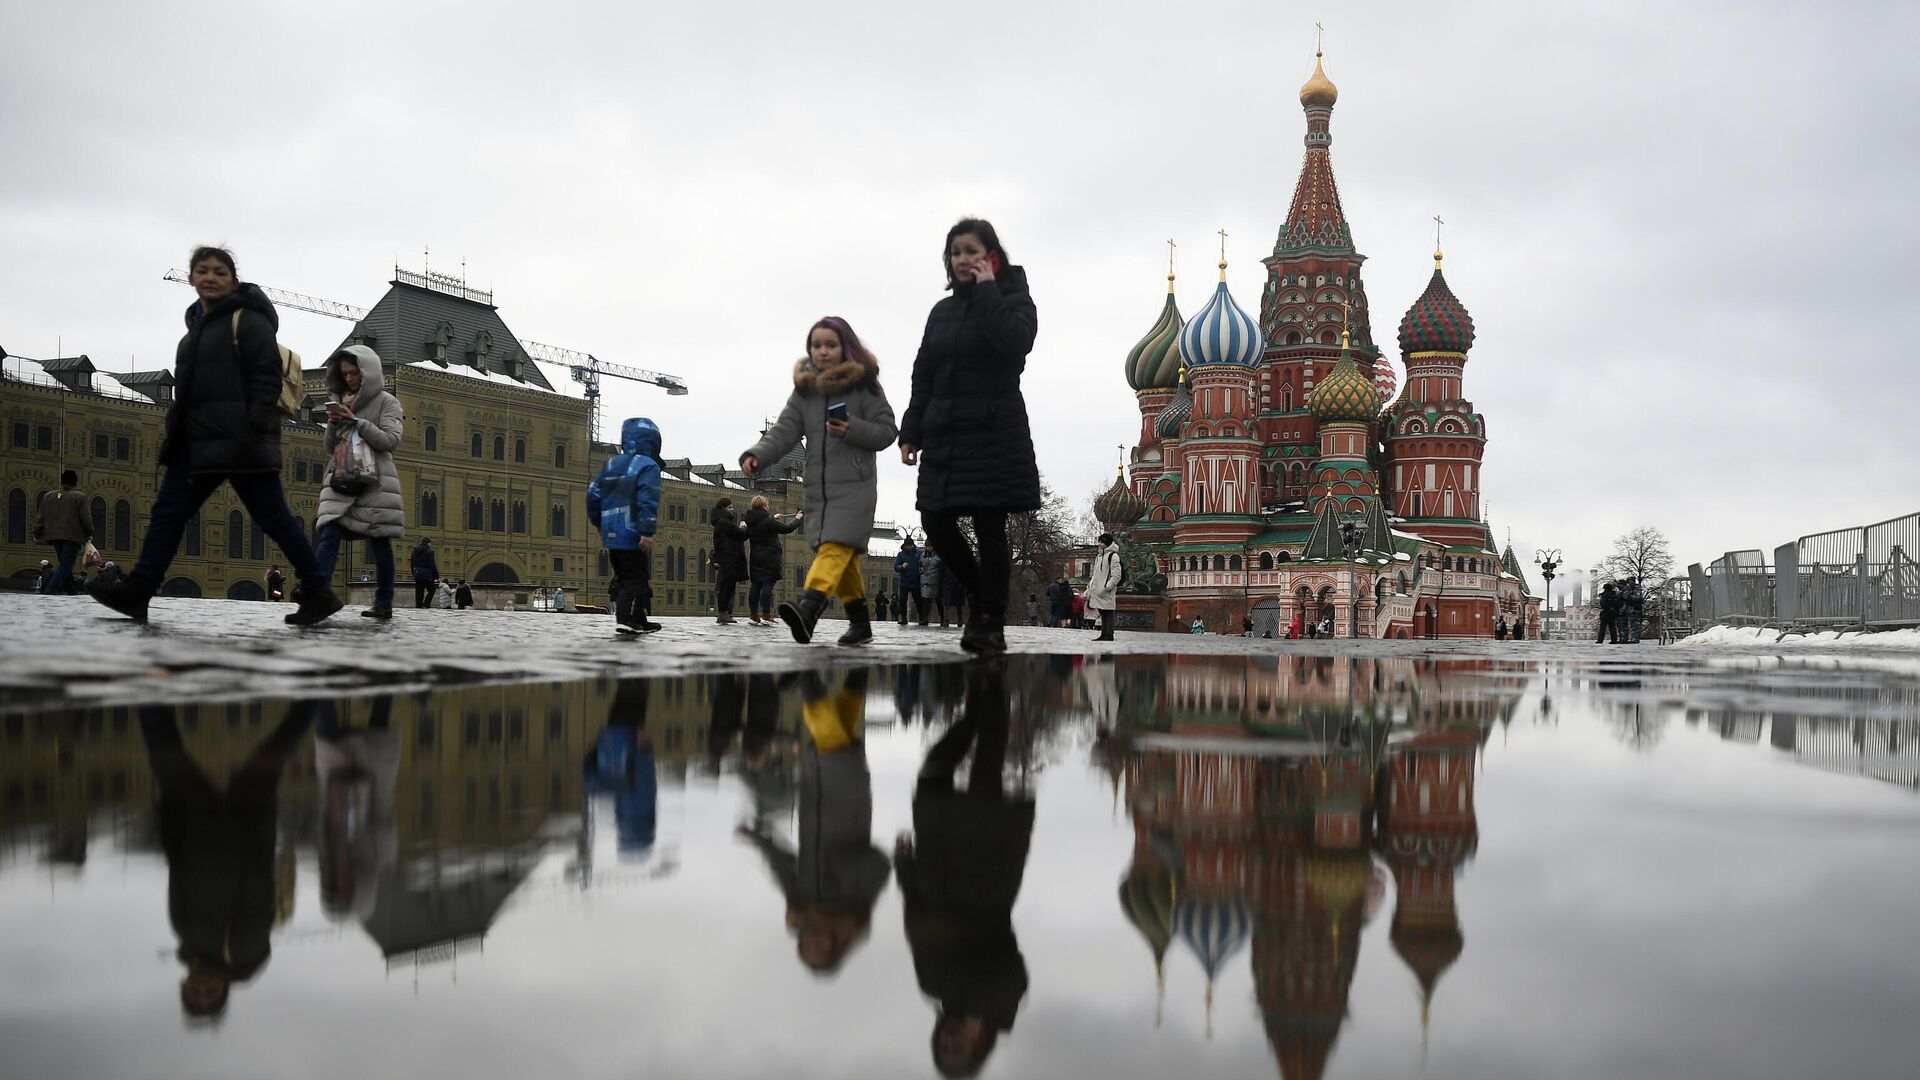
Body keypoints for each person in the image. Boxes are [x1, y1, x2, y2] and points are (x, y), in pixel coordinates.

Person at [89, 246, 339, 625]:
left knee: (276, 520)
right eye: (202, 270)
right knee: (168, 514)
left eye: (219, 272)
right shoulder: (193, 333)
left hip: (242, 443)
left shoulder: (248, 322)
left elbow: (267, 379)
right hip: (199, 443)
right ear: (191, 279)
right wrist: (176, 434)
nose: (210, 277)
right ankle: (139, 590)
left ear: (233, 281)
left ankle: (319, 591)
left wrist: (251, 428)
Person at [898, 218, 1041, 656]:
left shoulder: (1013, 296)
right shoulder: (941, 312)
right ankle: (983, 598)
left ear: (991, 256)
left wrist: (986, 291)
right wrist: (911, 430)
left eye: (971, 251)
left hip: (994, 430)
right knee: (934, 520)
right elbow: (924, 373)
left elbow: (1016, 343)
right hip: (945, 432)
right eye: (955, 252)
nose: (962, 259)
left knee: (989, 525)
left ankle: (990, 622)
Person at [895, 663, 1033, 1078]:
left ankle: (976, 709)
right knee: (986, 770)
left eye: (943, 1046)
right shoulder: (1004, 1003)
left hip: (937, 863)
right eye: (959, 1050)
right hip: (984, 871)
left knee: (932, 773)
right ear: (979, 1046)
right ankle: (993, 693)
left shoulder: (931, 986)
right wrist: (976, 1007)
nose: (950, 1040)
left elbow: (914, 922)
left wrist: (905, 868)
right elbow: (1007, 963)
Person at [139, 700, 314, 1024]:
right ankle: (318, 694)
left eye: (194, 994)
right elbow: (258, 883)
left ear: (185, 985)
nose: (201, 988)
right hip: (242, 825)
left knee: (164, 750)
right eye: (209, 995)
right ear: (224, 989)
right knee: (272, 754)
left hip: (195, 825)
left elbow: (177, 871)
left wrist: (169, 823)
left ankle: (147, 681)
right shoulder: (243, 951)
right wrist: (238, 829)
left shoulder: (183, 935)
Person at [741, 316, 899, 645]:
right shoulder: (805, 392)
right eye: (816, 345)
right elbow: (784, 432)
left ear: (845, 347)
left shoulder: (864, 386)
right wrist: (758, 455)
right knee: (842, 557)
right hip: (817, 490)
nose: (822, 351)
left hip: (855, 488)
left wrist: (852, 428)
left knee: (834, 549)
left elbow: (887, 431)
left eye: (830, 345)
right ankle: (861, 624)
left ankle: (808, 609)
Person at [740, 670, 890, 976]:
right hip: (849, 802)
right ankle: (809, 684)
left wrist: (757, 838)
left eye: (806, 949)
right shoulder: (856, 907)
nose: (813, 943)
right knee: (832, 741)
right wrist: (844, 868)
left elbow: (782, 866)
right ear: (836, 946)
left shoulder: (800, 906)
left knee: (840, 732)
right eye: (820, 950)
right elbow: (881, 865)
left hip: (814, 795)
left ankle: (857, 676)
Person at [312, 345, 404, 620]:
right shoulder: (342, 400)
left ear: (368, 373)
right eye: (345, 374)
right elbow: (330, 446)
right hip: (342, 479)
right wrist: (333, 422)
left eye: (355, 373)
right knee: (330, 532)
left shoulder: (388, 402)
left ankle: (384, 602)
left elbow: (390, 440)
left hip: (375, 483)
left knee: (379, 543)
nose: (350, 379)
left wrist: (357, 422)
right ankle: (319, 592)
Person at [587, 417, 664, 636]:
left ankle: (640, 619)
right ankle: (627, 621)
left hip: (611, 533)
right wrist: (647, 531)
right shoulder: (648, 466)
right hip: (632, 532)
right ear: (652, 442)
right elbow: (647, 501)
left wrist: (598, 523)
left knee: (625, 577)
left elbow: (593, 495)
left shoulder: (612, 463)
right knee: (636, 580)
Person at [742, 495, 802, 627]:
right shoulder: (768, 522)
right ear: (764, 506)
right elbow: (787, 529)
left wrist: (773, 518)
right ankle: (766, 615)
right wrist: (797, 519)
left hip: (756, 557)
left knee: (756, 585)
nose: (768, 507)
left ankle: (753, 614)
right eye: (767, 505)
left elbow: (762, 524)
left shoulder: (751, 521)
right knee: (768, 585)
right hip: (769, 558)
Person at [33, 469, 92, 595]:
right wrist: (89, 531)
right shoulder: (79, 497)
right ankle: (51, 587)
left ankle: (72, 589)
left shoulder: (48, 496)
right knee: (66, 564)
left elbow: (40, 517)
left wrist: (37, 532)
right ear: (75, 482)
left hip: (54, 536)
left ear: (62, 481)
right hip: (72, 536)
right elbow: (85, 518)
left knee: (64, 564)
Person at [710, 497, 749, 625]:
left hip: (727, 559)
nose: (733, 510)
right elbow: (740, 535)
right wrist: (744, 527)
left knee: (727, 587)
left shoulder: (721, 522)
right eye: (730, 507)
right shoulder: (723, 522)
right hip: (729, 560)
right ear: (723, 509)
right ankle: (722, 614)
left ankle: (724, 614)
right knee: (726, 588)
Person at [1083, 533, 1122, 642]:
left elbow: (1116, 575)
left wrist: (1108, 587)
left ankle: (1109, 634)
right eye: (1099, 541)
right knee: (1103, 613)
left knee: (1108, 613)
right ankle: (1104, 634)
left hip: (1106, 590)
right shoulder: (1099, 556)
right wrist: (1091, 585)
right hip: (1098, 589)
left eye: (1102, 542)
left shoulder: (1113, 556)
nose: (1099, 544)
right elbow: (1096, 573)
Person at [893, 537, 924, 626]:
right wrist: (902, 567)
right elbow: (896, 567)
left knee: (918, 601)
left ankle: (922, 618)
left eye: (910, 545)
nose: (909, 547)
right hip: (904, 582)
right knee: (902, 600)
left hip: (916, 582)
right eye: (907, 546)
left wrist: (921, 569)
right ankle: (903, 618)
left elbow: (923, 563)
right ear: (905, 546)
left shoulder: (919, 553)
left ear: (913, 545)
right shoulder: (901, 555)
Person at [921, 543, 947, 628]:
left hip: (936, 581)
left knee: (938, 601)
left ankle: (943, 618)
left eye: (930, 546)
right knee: (926, 601)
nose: (928, 548)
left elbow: (942, 569)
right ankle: (925, 618)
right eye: (927, 546)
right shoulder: (923, 555)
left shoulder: (938, 556)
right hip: (925, 581)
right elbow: (920, 565)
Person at [410, 538, 439, 609]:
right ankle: (426, 603)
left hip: (417, 573)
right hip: (427, 574)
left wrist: (413, 573)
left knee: (419, 591)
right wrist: (436, 575)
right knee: (432, 589)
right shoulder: (430, 552)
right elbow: (432, 565)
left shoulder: (414, 551)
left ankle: (419, 605)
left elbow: (412, 564)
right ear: (428, 543)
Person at [1624, 576, 1645, 643]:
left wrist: (1630, 596)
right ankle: (1632, 638)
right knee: (1631, 624)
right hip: (1629, 608)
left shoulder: (1637, 588)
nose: (1630, 583)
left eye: (1631, 581)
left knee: (1636, 625)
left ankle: (1635, 639)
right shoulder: (1627, 588)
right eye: (1629, 581)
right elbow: (1625, 596)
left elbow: (1638, 597)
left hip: (1636, 608)